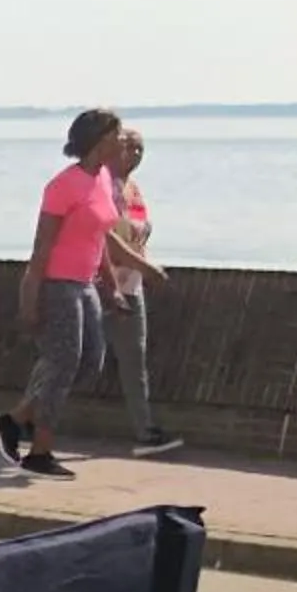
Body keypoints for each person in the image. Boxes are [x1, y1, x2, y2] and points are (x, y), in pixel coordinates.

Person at [0, 107, 129, 480]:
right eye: (118, 133)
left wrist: (112, 288)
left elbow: (97, 239)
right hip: (57, 286)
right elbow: (42, 248)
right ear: (100, 139)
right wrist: (29, 300)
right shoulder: (62, 186)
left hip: (86, 286)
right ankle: (40, 451)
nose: (124, 139)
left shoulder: (101, 178)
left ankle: (16, 419)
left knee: (89, 364)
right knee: (64, 364)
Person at [102, 129, 180, 457]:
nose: (134, 154)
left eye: (140, 149)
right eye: (128, 147)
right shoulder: (101, 186)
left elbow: (136, 237)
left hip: (131, 286)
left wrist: (143, 269)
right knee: (74, 358)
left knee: (134, 360)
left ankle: (145, 430)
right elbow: (107, 240)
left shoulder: (133, 190)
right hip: (99, 286)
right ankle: (24, 417)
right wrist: (146, 270)